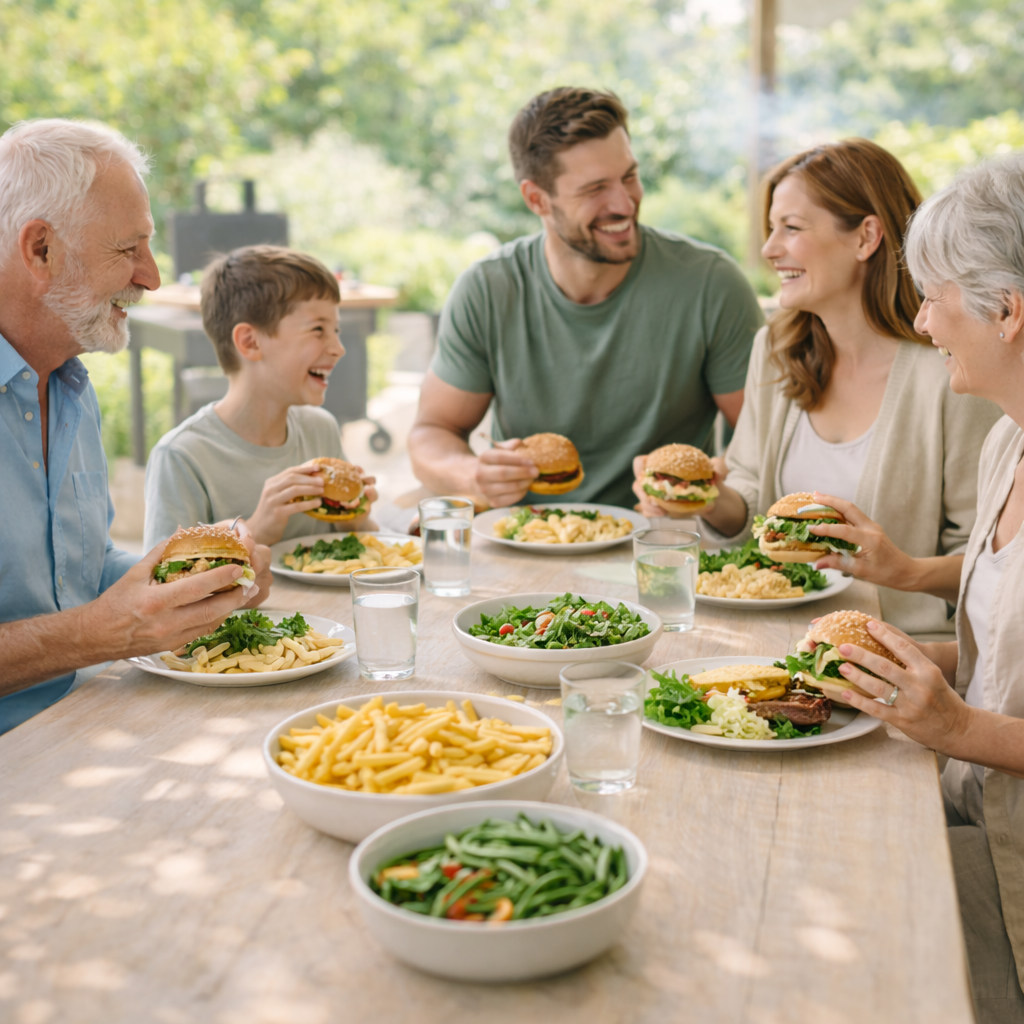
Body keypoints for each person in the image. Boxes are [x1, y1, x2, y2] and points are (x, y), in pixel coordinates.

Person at [635, 139, 1000, 639]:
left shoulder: (950, 371)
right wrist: (707, 499)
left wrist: (901, 570)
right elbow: (749, 496)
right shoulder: (775, 349)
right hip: (770, 634)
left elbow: (989, 564)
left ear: (865, 236)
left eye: (791, 227)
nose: (769, 249)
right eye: (770, 228)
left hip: (898, 651)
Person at [0, 118, 269, 735]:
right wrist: (92, 635)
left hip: (91, 720)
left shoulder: (68, 383)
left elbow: (81, 573)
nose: (150, 275)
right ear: (40, 249)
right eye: (128, 249)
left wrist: (203, 575)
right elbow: (89, 625)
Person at [834, 151, 1024, 1024]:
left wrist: (953, 724)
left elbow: (984, 709)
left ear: (1008, 310)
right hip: (967, 814)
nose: (920, 317)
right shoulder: (1006, 444)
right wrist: (886, 655)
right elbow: (998, 644)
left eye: (934, 294)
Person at [408, 86, 763, 510]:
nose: (624, 202)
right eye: (595, 189)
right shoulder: (487, 289)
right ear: (537, 199)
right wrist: (471, 475)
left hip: (662, 547)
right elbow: (431, 432)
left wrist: (707, 486)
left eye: (629, 176)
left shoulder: (711, 284)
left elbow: (766, 440)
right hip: (528, 538)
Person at [143, 245, 378, 549]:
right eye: (319, 329)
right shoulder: (182, 457)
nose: (338, 348)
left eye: (336, 330)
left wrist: (357, 520)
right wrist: (255, 531)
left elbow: (361, 549)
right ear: (251, 342)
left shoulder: (320, 429)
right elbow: (161, 583)